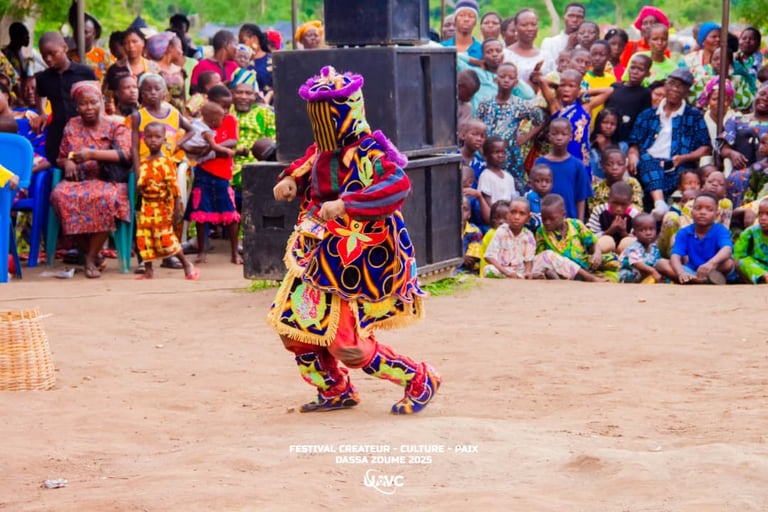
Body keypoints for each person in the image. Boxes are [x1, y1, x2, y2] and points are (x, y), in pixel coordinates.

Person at [267, 66, 440, 414]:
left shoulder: (370, 152)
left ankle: (419, 378)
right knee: (295, 333)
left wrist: (347, 204)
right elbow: (305, 167)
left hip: (352, 260)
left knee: (349, 346)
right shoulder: (322, 151)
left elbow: (398, 185)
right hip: (314, 254)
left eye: (325, 115)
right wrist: (289, 180)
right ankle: (335, 390)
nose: (319, 122)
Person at [49, 81, 131, 278]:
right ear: (77, 106)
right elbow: (61, 157)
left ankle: (89, 257)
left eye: (93, 102)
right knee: (60, 196)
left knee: (107, 199)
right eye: (83, 104)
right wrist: (67, 163)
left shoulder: (116, 125)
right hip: (79, 181)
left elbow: (126, 155)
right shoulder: (72, 125)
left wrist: (92, 155)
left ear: (101, 102)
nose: (89, 108)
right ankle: (90, 254)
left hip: (108, 180)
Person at [628, 68, 711, 218]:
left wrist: (684, 158)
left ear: (687, 92)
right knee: (646, 159)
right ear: (665, 86)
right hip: (649, 163)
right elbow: (634, 143)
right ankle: (660, 204)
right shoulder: (648, 115)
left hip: (678, 165)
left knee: (681, 176)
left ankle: (664, 210)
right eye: (671, 83)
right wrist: (633, 156)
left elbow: (705, 147)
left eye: (680, 86)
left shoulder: (694, 116)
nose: (674, 89)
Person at [184, 88, 241, 265]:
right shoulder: (201, 124)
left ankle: (234, 252)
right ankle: (202, 251)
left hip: (223, 173)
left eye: (227, 107)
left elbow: (233, 140)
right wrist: (215, 149)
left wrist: (211, 148)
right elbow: (190, 147)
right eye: (222, 106)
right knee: (201, 213)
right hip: (204, 172)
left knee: (230, 213)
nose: (225, 111)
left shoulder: (229, 120)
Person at [135, 121, 198, 281]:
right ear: (144, 140)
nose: (153, 140)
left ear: (164, 140)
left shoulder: (166, 161)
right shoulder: (144, 161)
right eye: (149, 137)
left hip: (162, 206)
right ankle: (148, 270)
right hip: (146, 206)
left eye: (157, 137)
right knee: (144, 237)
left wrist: (176, 210)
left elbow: (174, 188)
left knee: (165, 237)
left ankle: (186, 265)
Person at [476, 61, 544, 193]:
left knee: (512, 191)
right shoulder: (486, 104)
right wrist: (481, 150)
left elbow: (540, 120)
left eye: (511, 77)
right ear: (496, 79)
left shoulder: (520, 104)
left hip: (511, 156)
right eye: (502, 76)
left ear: (516, 82)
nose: (506, 80)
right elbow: (477, 128)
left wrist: (524, 138)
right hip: (488, 157)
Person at [32, 32, 97, 168]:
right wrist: (42, 112)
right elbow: (39, 94)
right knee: (57, 165)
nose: (48, 59)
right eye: (44, 56)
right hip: (58, 132)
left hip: (85, 129)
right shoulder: (43, 78)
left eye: (52, 53)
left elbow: (98, 98)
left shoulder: (85, 72)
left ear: (65, 48)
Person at [535, 68, 613, 167]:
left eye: (571, 86)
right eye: (563, 85)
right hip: (560, 160)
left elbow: (609, 90)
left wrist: (585, 92)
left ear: (579, 89)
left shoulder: (585, 108)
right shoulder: (556, 108)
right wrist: (557, 87)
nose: (566, 89)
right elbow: (542, 80)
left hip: (581, 161)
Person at [535, 193, 618, 282]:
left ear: (563, 215)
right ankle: (584, 278)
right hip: (561, 268)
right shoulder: (541, 232)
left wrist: (596, 253)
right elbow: (544, 258)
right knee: (549, 268)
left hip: (583, 263)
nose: (547, 222)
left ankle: (587, 277)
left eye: (552, 218)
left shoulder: (576, 225)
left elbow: (593, 241)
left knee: (613, 260)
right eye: (544, 219)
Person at [670, 192, 735, 284]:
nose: (703, 212)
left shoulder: (721, 230)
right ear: (691, 213)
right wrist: (680, 273)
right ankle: (700, 280)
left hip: (713, 268)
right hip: (691, 269)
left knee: (728, 263)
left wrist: (711, 264)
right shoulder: (684, 232)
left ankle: (695, 280)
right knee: (661, 264)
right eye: (698, 208)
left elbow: (727, 249)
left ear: (717, 214)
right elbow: (675, 255)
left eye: (709, 209)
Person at [534, 118, 592, 220]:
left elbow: (581, 198)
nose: (559, 138)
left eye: (563, 134)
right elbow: (534, 193)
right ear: (549, 136)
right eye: (555, 134)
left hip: (569, 221)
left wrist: (580, 223)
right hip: (544, 221)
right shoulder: (540, 163)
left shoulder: (577, 165)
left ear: (570, 137)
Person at [230, 68, 276, 191]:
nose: (244, 97)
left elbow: (272, 144)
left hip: (256, 168)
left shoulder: (265, 114)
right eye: (239, 92)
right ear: (231, 93)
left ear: (254, 95)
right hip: (226, 166)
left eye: (248, 93)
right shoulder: (224, 112)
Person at [483, 197, 536, 278]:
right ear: (507, 215)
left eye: (522, 214)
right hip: (502, 270)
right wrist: (507, 273)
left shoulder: (529, 236)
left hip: (520, 271)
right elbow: (489, 257)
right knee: (489, 269)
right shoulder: (501, 231)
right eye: (513, 212)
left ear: (528, 219)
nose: (517, 217)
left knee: (539, 264)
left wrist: (527, 272)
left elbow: (529, 260)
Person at [587, 181, 640, 255]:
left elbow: (639, 240)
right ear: (608, 200)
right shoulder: (599, 211)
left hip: (626, 254)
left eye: (623, 204)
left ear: (630, 203)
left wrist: (624, 233)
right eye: (615, 203)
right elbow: (590, 237)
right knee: (605, 242)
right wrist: (610, 231)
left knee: (628, 243)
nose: (618, 208)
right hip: (603, 253)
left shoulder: (634, 215)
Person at [618, 213, 674, 283]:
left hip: (647, 273)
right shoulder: (634, 247)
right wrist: (652, 271)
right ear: (634, 233)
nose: (648, 233)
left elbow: (657, 262)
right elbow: (636, 263)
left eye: (651, 229)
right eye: (642, 230)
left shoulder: (654, 247)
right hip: (630, 274)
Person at [590, 147, 644, 211]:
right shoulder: (596, 188)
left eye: (620, 164)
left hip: (630, 218)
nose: (614, 167)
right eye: (609, 164)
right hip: (604, 220)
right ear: (602, 166)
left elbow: (637, 207)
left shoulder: (632, 183)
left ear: (625, 166)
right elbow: (594, 210)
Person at [504, 8, 549, 85]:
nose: (530, 29)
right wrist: (530, 82)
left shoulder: (546, 56)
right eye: (524, 25)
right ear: (515, 27)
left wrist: (541, 80)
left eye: (533, 24)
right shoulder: (505, 55)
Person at [619, 6, 670, 70]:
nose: (648, 26)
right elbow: (623, 71)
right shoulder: (630, 47)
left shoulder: (664, 51)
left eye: (652, 22)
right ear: (641, 27)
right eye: (645, 23)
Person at [147, 32, 187, 115]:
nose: (181, 52)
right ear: (170, 48)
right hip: (159, 113)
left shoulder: (180, 71)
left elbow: (183, 98)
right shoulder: (153, 69)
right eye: (179, 47)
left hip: (179, 114)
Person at [190, 30, 237, 94]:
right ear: (226, 45)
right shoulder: (202, 66)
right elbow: (194, 92)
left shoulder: (234, 66)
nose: (237, 49)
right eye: (235, 44)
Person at [734, 197, 768, 283]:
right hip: (758, 267)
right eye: (760, 214)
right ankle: (763, 277)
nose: (763, 218)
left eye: (767, 214)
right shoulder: (750, 232)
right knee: (742, 262)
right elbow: (737, 257)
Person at [477, 136, 517, 205]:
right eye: (496, 152)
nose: (501, 155)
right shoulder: (486, 176)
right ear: (485, 156)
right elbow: (487, 203)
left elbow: (512, 200)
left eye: (503, 152)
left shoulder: (509, 177)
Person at [239, 24, 273, 102]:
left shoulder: (272, 60)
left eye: (243, 41)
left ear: (254, 39)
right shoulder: (242, 63)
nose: (241, 45)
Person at [589, 108, 625, 180]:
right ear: (599, 123)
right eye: (605, 122)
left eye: (613, 124)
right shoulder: (589, 145)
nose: (608, 126)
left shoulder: (622, 146)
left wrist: (604, 148)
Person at [525, 163, 552, 233]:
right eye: (538, 181)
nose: (543, 184)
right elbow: (537, 220)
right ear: (530, 183)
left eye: (547, 181)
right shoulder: (532, 196)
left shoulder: (549, 197)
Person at [3, 22, 30, 86]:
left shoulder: (21, 55)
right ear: (17, 36)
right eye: (25, 34)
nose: (28, 37)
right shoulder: (5, 55)